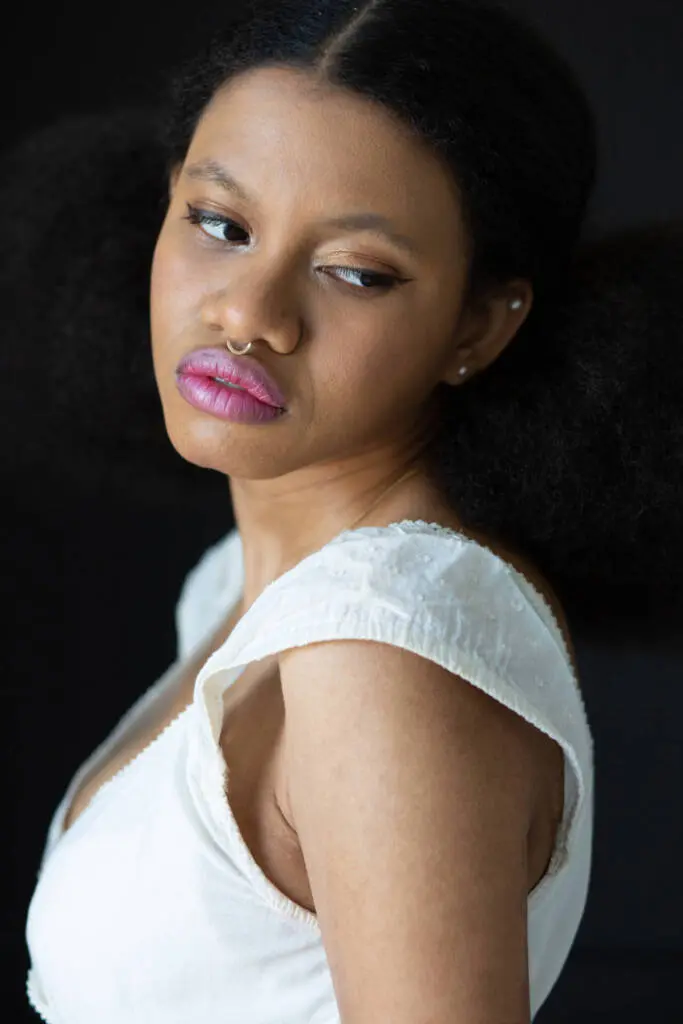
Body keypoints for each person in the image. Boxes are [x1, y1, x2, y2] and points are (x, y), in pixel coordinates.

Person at [21, 1, 682, 1022]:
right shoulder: (249, 593)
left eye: (355, 273)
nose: (248, 313)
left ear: (476, 324)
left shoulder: (380, 648)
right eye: (220, 224)